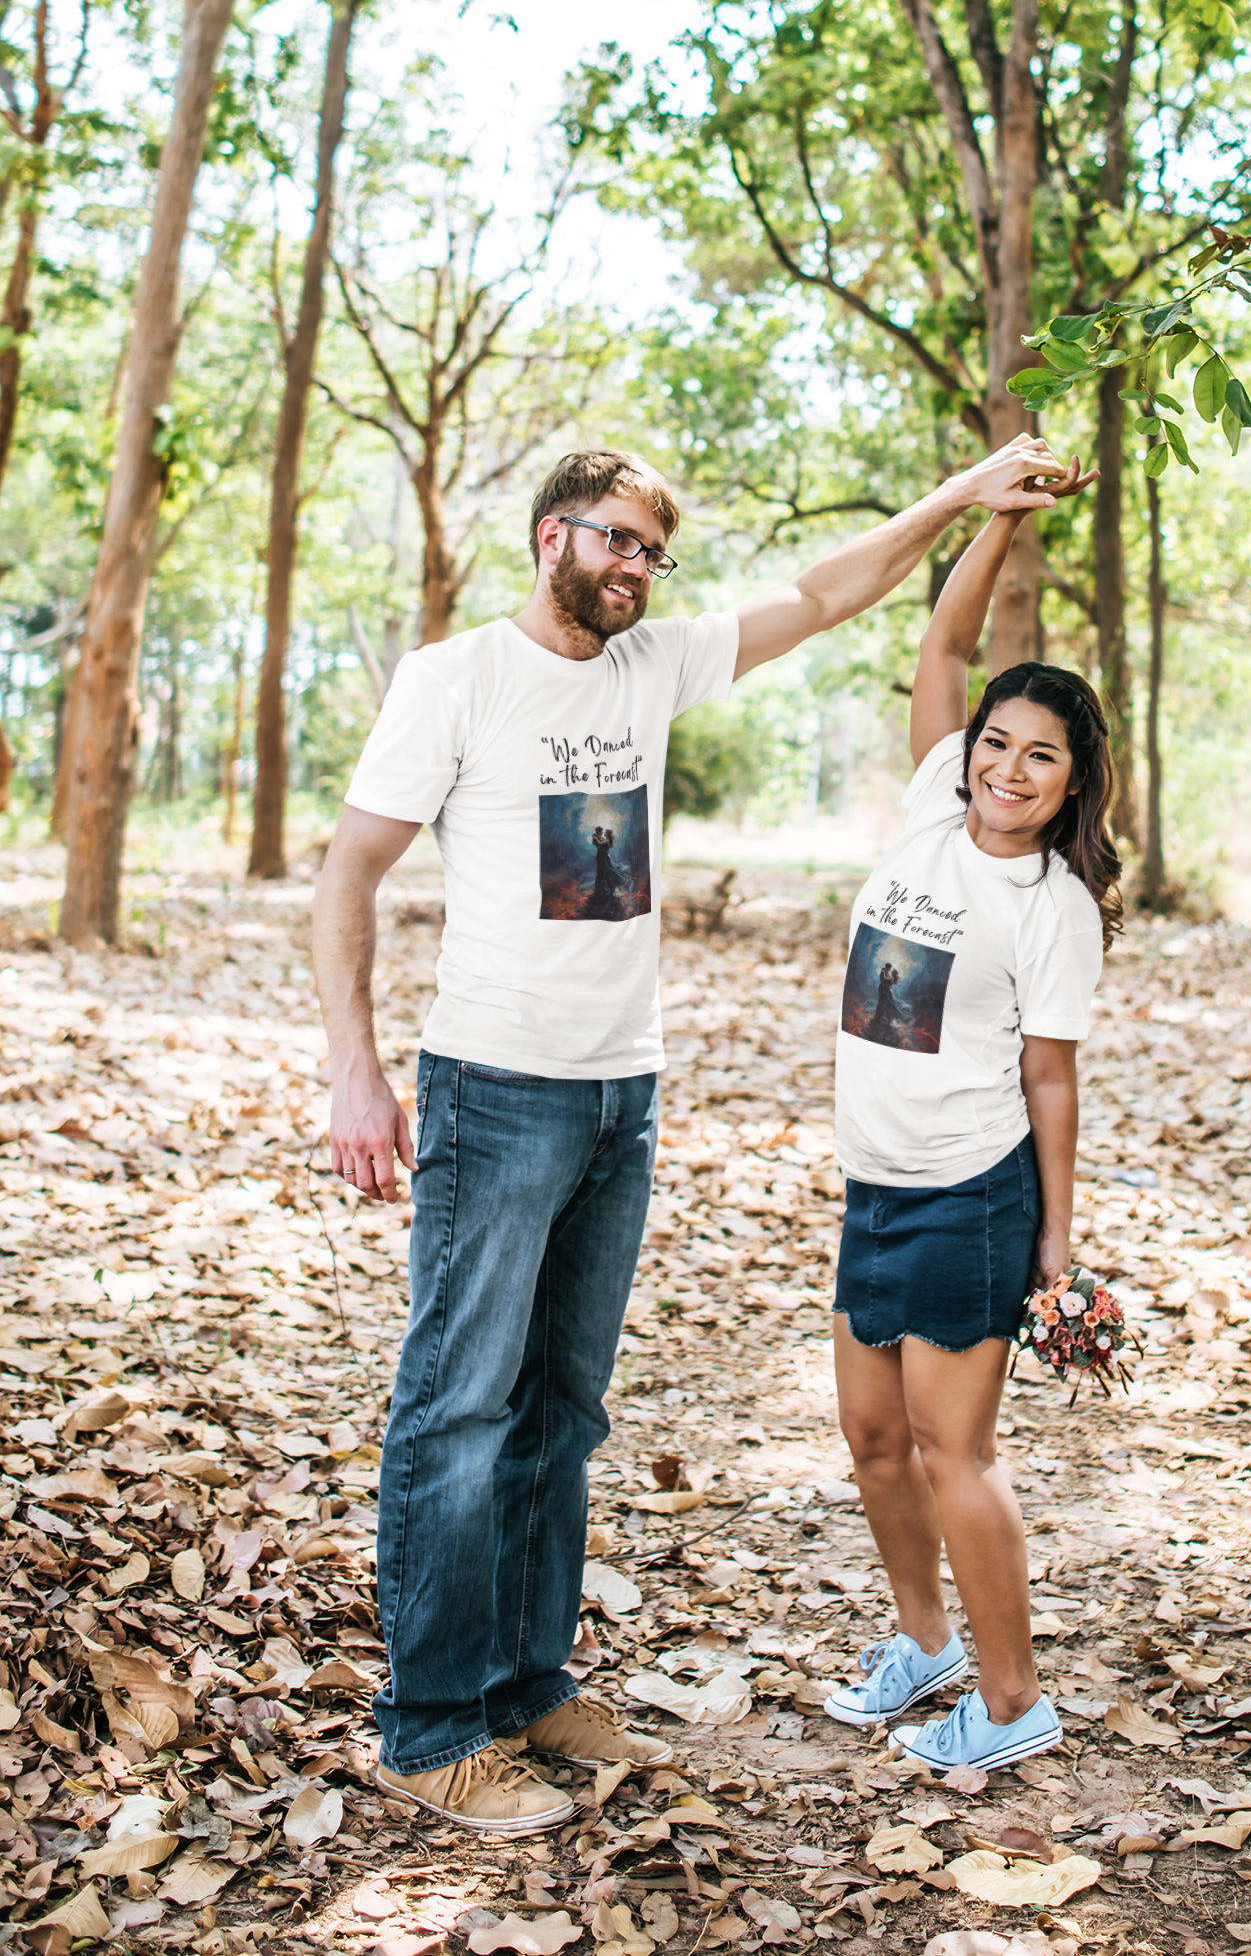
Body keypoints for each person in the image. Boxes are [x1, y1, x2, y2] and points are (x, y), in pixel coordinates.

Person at [312, 437, 1077, 1837]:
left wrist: (965, 495)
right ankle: (430, 1729)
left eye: (654, 551)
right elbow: (348, 872)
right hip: (495, 1084)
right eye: (616, 539)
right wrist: (355, 1074)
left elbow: (827, 593)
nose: (637, 568)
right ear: (551, 535)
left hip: (622, 1093)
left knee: (562, 1412)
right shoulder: (454, 677)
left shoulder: (651, 663)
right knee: (458, 1408)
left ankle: (528, 1685)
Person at [821, 460, 1125, 1774]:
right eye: (997, 741)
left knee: (957, 1451)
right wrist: (1000, 517)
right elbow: (944, 642)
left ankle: (1011, 1704)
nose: (1007, 765)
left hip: (969, 1193)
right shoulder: (931, 806)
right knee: (875, 1440)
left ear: (1074, 780)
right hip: (874, 1184)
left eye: (1040, 754)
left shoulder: (1054, 908)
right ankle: (925, 1641)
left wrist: (1054, 1239)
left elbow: (1050, 1077)